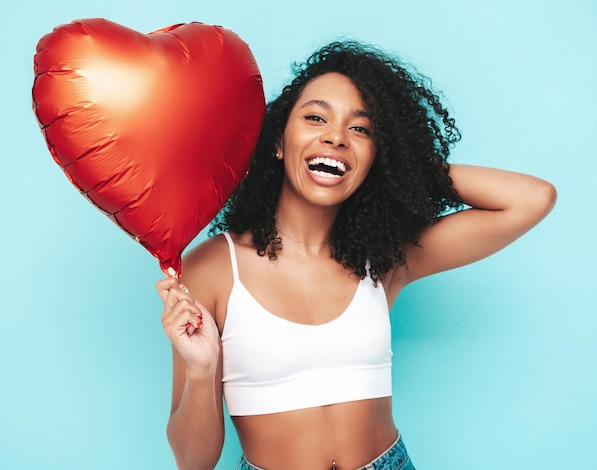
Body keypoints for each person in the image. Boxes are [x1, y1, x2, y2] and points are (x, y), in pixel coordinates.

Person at [156, 41, 557, 470]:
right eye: (315, 118)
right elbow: (193, 462)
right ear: (277, 140)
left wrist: (403, 165)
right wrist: (202, 370)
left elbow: (532, 198)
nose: (336, 137)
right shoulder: (212, 268)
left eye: (361, 130)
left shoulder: (383, 260)